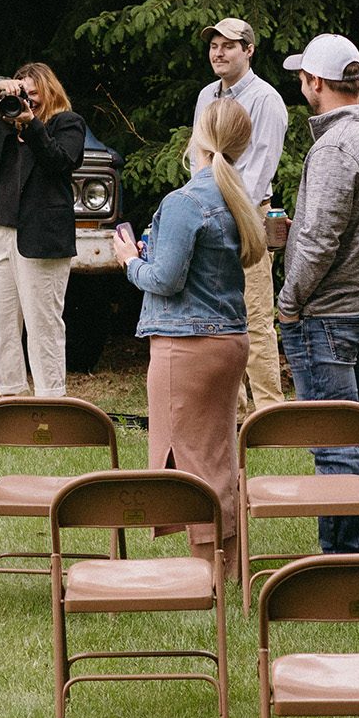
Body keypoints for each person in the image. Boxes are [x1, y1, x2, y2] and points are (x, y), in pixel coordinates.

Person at [117, 99, 264, 580]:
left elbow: (164, 280)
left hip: (187, 346)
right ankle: (231, 568)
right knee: (216, 453)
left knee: (194, 459)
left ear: (199, 138)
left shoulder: (185, 200)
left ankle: (209, 576)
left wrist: (128, 260)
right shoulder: (234, 194)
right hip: (228, 341)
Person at [274, 35, 359, 553]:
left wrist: (289, 301)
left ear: (318, 83)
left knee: (336, 443)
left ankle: (348, 560)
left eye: (302, 78)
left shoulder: (334, 147)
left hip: (328, 314)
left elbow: (321, 239)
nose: (300, 86)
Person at [0, 62, 87, 398]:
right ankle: (11, 395)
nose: (27, 101)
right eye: (22, 94)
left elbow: (61, 161)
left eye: (33, 94)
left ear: (49, 92)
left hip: (41, 237)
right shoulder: (4, 121)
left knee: (42, 324)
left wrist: (31, 124)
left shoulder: (67, 123)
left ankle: (51, 399)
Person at [195, 20, 290, 413]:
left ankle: (268, 411)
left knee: (254, 315)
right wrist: (200, 206)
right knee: (216, 315)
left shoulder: (266, 99)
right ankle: (228, 411)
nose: (218, 52)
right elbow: (200, 156)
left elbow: (260, 168)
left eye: (228, 46)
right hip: (209, 212)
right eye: (214, 46)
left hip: (249, 215)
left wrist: (226, 212)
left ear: (249, 51)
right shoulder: (206, 95)